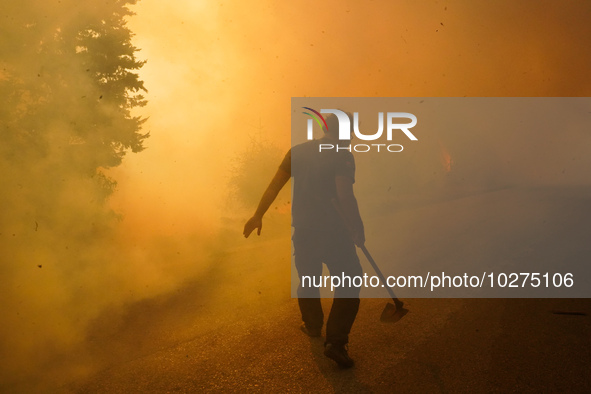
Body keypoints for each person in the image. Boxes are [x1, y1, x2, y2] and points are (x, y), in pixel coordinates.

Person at [243, 113, 365, 368]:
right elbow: (345, 195)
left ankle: (312, 325)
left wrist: (258, 214)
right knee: (350, 280)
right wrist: (357, 227)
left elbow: (274, 185)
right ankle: (336, 341)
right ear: (343, 132)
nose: (352, 137)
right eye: (352, 132)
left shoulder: (297, 151)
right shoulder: (342, 155)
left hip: (305, 232)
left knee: (308, 278)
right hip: (335, 234)